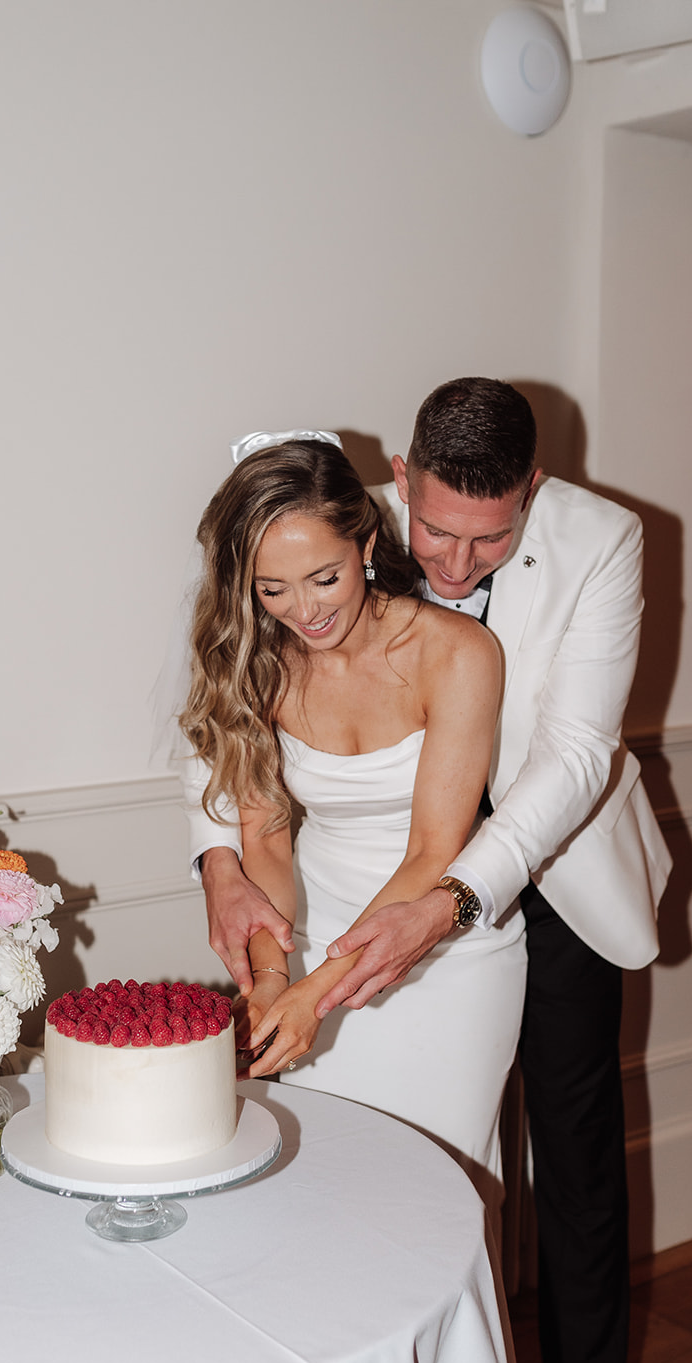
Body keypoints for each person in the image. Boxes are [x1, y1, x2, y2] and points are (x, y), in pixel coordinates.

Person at [185, 383, 672, 1363]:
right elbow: (240, 785)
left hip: (538, 870)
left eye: (488, 538)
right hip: (361, 890)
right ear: (397, 485)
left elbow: (566, 759)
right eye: (434, 530)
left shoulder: (601, 543)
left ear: (533, 496)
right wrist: (248, 918)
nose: (451, 560)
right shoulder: (317, 543)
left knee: (564, 1166)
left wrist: (449, 899)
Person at [177, 431, 527, 1220]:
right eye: (272, 590)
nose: (304, 611)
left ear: (367, 540)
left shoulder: (456, 652)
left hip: (444, 952)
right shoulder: (262, 663)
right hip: (316, 925)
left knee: (441, 1199)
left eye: (323, 578)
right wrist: (273, 981)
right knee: (325, 1196)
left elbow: (434, 851)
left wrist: (315, 997)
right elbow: (265, 842)